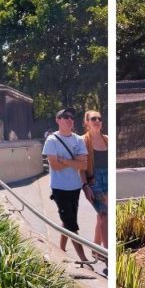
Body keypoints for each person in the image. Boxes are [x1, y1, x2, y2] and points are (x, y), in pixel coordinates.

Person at [43, 108, 90, 263]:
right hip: (59, 188)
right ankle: (83, 258)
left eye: (71, 117)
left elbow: (83, 165)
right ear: (58, 120)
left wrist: (63, 160)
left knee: (67, 220)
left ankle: (61, 250)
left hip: (75, 188)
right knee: (71, 224)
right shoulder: (51, 140)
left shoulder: (78, 140)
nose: (69, 119)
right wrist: (73, 162)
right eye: (65, 117)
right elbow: (55, 165)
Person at [83, 110, 109, 258]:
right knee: (105, 215)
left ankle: (95, 249)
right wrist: (85, 185)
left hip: (109, 178)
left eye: (99, 118)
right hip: (94, 180)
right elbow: (81, 166)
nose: (97, 121)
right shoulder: (83, 141)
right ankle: (107, 253)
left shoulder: (107, 139)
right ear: (87, 122)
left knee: (101, 216)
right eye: (93, 118)